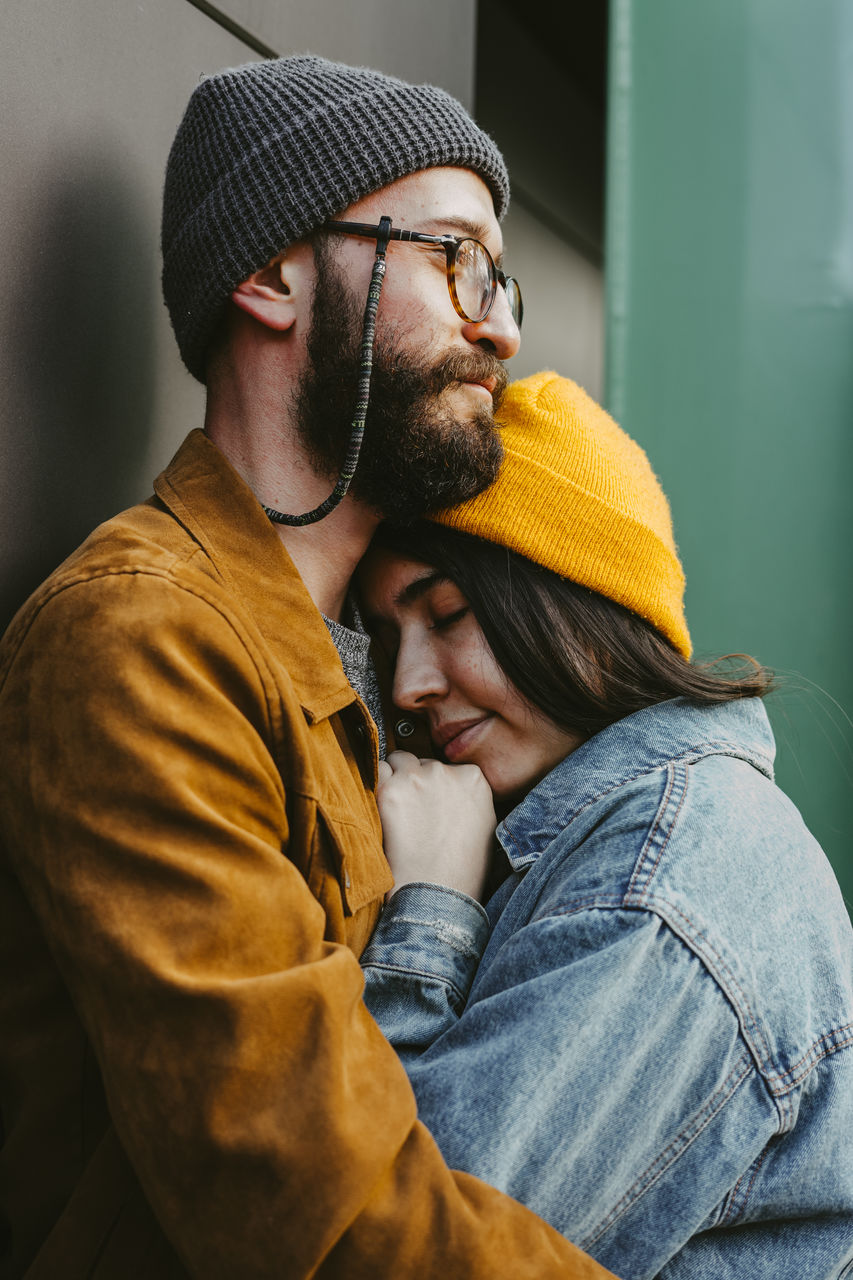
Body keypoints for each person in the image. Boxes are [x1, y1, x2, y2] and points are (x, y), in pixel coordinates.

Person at [0, 61, 616, 1280]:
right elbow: (318, 1214)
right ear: (272, 274)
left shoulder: (406, 664)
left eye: (502, 278)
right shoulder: (144, 638)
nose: (497, 323)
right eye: (454, 257)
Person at [359, 371, 853, 1280]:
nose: (407, 687)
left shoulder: (660, 898)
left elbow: (400, 1247)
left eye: (448, 615)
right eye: (390, 644)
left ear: (583, 610)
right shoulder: (607, 839)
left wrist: (426, 912)